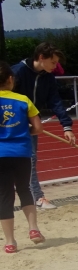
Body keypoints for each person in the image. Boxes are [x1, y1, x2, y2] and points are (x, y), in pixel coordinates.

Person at [11, 42, 76, 211]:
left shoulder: (48, 77)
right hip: (11, 123)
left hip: (31, 124)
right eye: (53, 62)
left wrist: (67, 126)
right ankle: (34, 196)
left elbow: (55, 101)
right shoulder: (17, 72)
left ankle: (35, 196)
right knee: (15, 159)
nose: (55, 67)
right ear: (41, 57)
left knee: (30, 158)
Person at [0, 60, 45, 252]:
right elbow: (38, 128)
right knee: (24, 189)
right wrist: (25, 132)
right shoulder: (23, 100)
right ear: (11, 79)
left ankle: (10, 242)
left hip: (1, 154)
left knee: (4, 195)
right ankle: (33, 229)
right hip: (21, 152)